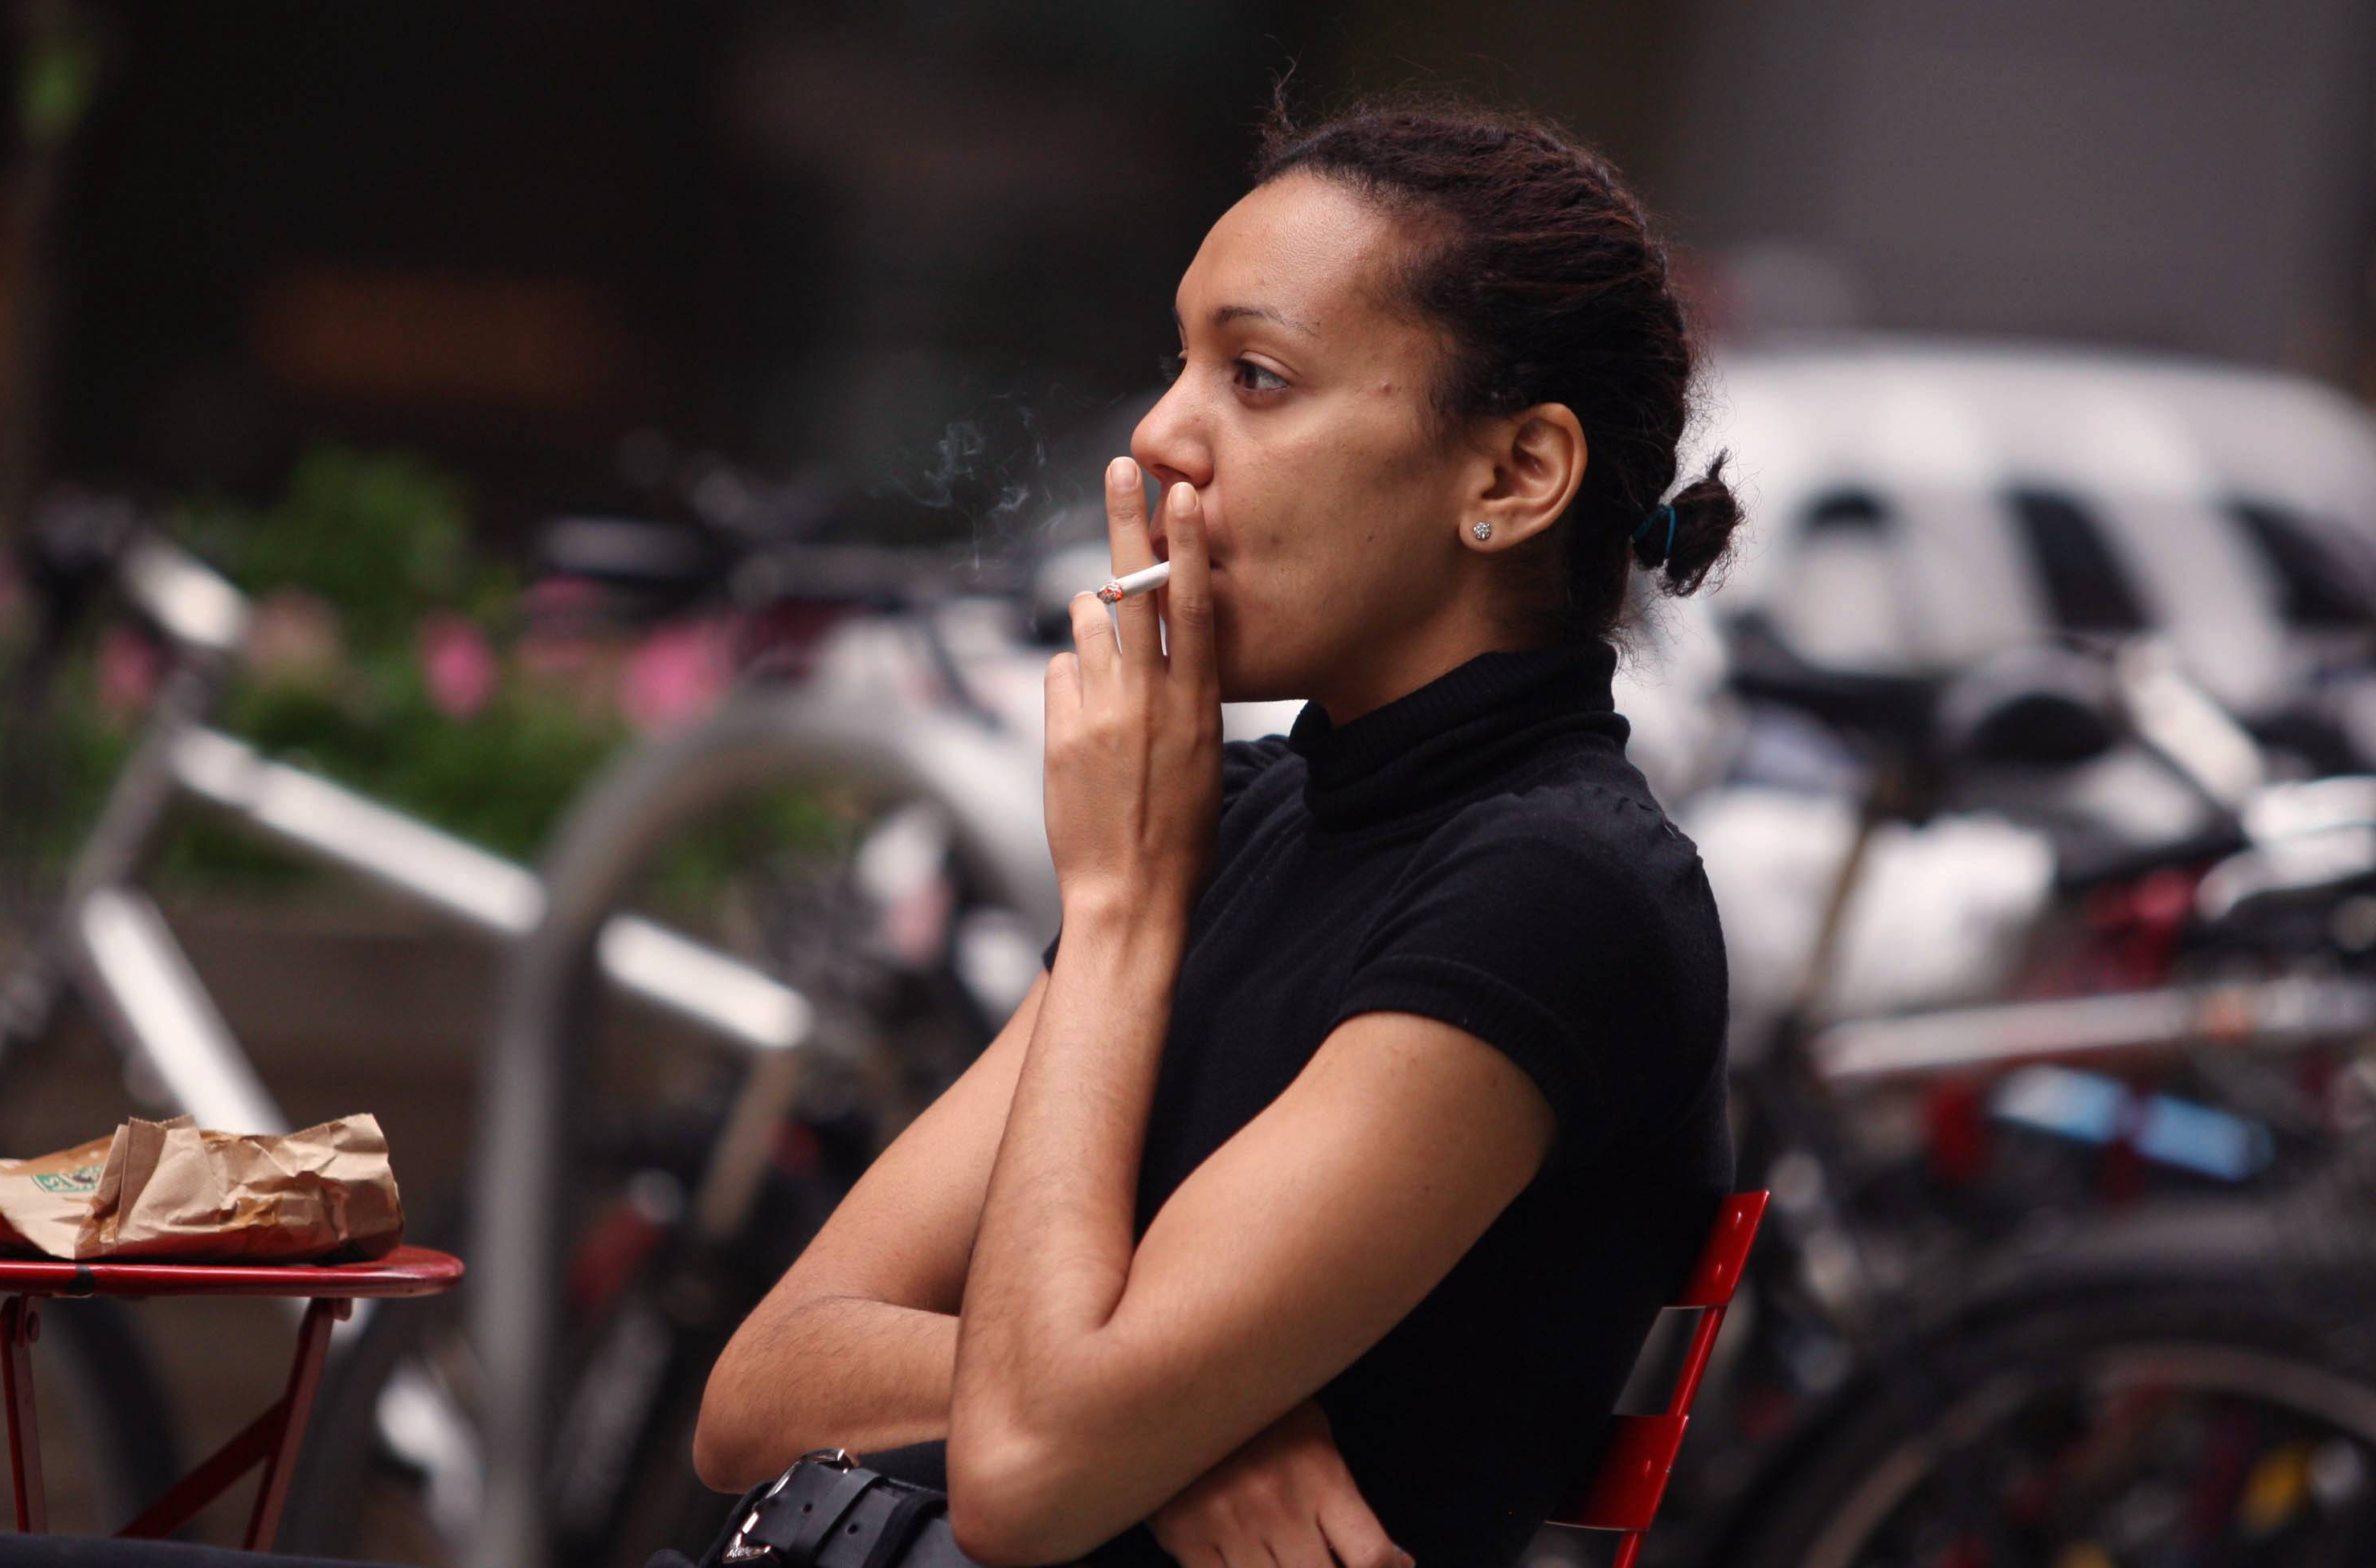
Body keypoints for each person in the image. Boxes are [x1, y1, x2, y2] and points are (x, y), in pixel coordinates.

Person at [692, 88, 1741, 1568]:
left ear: (1512, 476)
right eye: (1180, 363)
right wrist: (1203, 1426)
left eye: (1255, 377)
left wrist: (1118, 906)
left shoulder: (1556, 896)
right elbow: (758, 1389)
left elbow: (1031, 1465)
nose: (1161, 434)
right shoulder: (1235, 813)